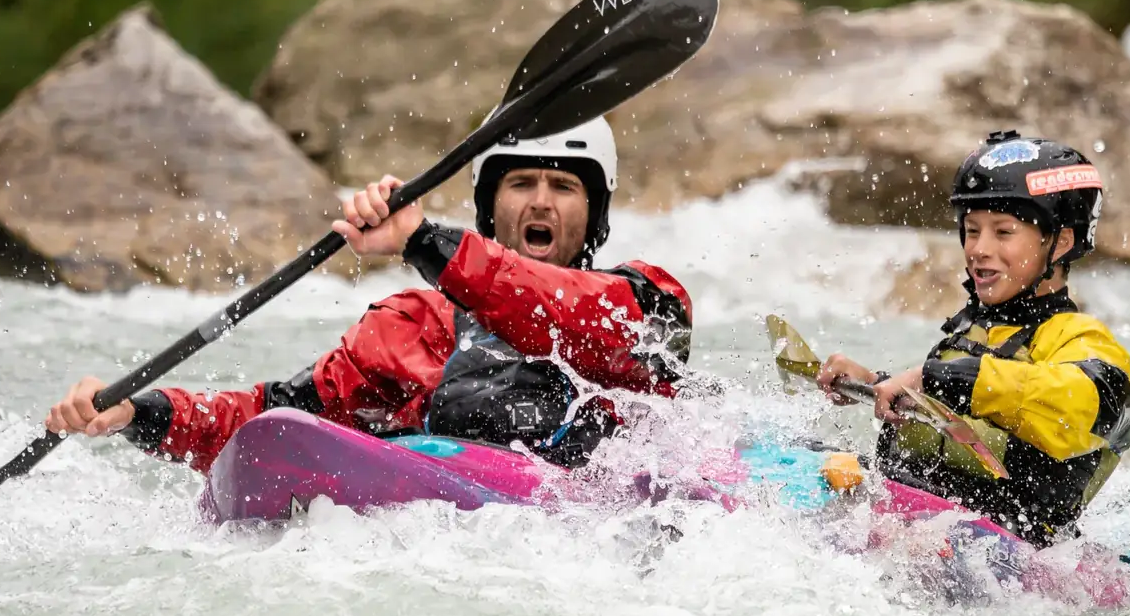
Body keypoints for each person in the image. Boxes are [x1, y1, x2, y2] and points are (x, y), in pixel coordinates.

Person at [44, 116, 694, 470]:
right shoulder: (414, 326)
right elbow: (276, 419)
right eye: (521, 182)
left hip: (605, 535)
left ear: (596, 212)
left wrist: (422, 241)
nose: (541, 200)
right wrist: (140, 412)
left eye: (565, 186)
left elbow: (558, 312)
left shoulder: (646, 301)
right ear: (491, 207)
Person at [816, 129, 1130, 547]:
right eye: (972, 230)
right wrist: (876, 384)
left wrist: (934, 377)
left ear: (1059, 242)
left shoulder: (1081, 338)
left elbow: (1086, 405)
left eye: (1003, 232)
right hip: (924, 516)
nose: (979, 250)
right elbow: (957, 417)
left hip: (1007, 553)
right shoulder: (975, 331)